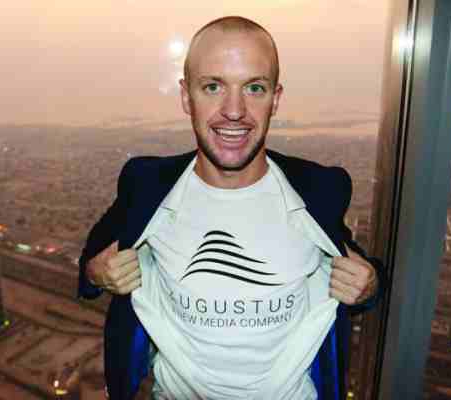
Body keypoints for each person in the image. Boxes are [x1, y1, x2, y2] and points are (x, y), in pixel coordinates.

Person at [78, 16, 384, 400]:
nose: (234, 110)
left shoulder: (320, 188)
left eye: (254, 88)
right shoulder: (145, 184)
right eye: (213, 86)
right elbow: (92, 263)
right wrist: (96, 273)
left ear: (276, 99)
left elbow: (360, 269)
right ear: (186, 97)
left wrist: (370, 285)